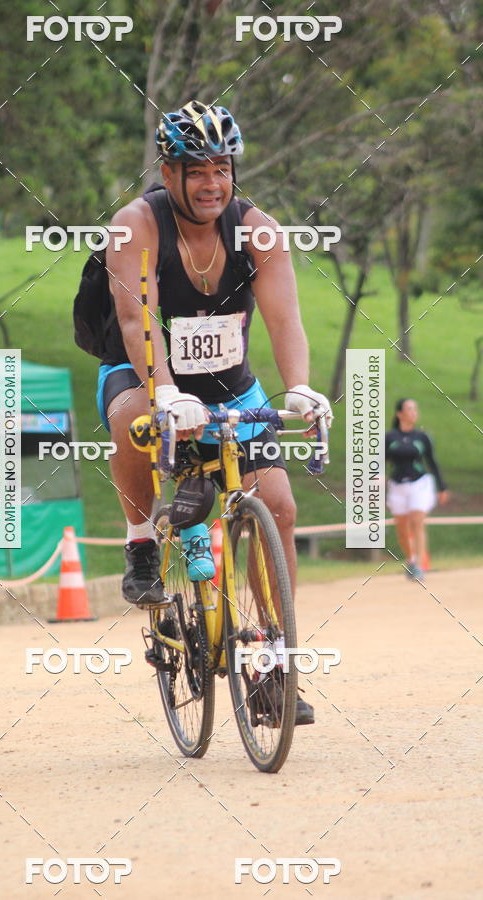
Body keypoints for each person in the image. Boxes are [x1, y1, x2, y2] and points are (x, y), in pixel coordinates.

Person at [97, 100, 333, 726]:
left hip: (230, 383)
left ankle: (271, 669)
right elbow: (134, 318)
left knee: (279, 508)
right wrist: (169, 392)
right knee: (134, 416)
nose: (212, 184)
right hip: (145, 368)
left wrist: (301, 388)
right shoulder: (135, 225)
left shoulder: (257, 229)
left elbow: (284, 318)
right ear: (167, 172)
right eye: (196, 170)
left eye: (222, 168)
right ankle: (142, 542)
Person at [385, 398, 449, 583]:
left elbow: (432, 462)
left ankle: (420, 566)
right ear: (400, 414)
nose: (414, 412)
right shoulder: (390, 438)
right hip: (397, 485)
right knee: (402, 528)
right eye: (409, 409)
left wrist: (442, 486)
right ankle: (411, 559)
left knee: (417, 521)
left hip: (419, 484)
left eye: (415, 409)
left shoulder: (422, 437)